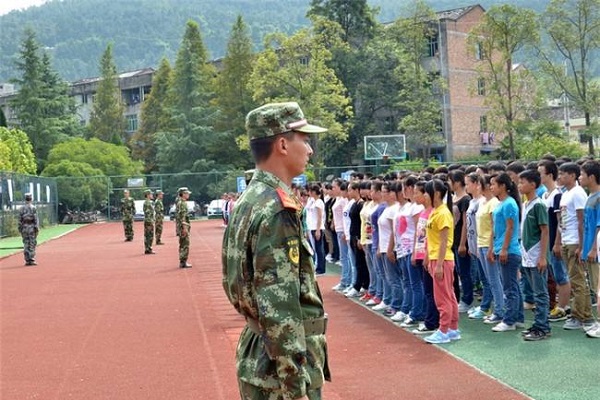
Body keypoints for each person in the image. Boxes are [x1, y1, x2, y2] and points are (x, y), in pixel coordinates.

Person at [222, 102, 330, 400]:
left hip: (261, 356)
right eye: (304, 139)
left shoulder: (249, 200)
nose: (309, 149)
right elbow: (279, 307)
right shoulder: (276, 209)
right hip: (279, 371)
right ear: (282, 144)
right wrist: (295, 388)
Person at [518, 170, 551, 341]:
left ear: (533, 184)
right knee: (535, 291)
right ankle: (538, 323)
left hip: (536, 254)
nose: (519, 185)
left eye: (522, 182)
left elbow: (545, 231)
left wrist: (543, 256)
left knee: (540, 293)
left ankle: (543, 327)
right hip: (527, 255)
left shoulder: (539, 204)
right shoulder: (525, 204)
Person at [18, 192, 39, 266]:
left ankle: (27, 259)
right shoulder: (33, 207)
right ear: (31, 199)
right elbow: (35, 219)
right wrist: (37, 228)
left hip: (24, 227)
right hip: (31, 227)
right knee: (32, 243)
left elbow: (19, 219)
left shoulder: (21, 208)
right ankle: (31, 259)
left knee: (26, 243)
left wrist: (20, 229)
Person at [176, 187, 192, 268]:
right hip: (183, 227)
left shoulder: (180, 202)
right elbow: (182, 217)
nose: (188, 194)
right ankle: (183, 261)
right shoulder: (182, 203)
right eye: (186, 193)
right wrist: (185, 228)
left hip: (182, 227)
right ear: (183, 194)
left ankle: (182, 261)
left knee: (182, 244)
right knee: (185, 244)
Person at [143, 189, 155, 254]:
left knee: (149, 235)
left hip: (149, 220)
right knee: (149, 235)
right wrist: (150, 221)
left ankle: (148, 248)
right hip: (149, 221)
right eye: (151, 194)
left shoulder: (148, 202)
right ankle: (148, 248)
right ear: (148, 195)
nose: (152, 195)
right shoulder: (147, 203)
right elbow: (148, 213)